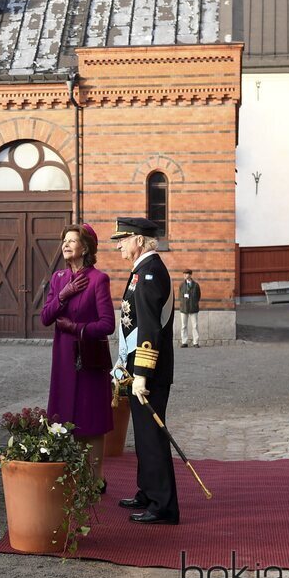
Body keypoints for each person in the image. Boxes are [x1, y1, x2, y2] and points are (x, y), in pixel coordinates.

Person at [110, 216, 179, 525]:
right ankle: (148, 491)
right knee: (143, 435)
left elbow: (150, 329)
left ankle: (163, 505)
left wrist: (142, 375)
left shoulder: (150, 274)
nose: (119, 245)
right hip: (138, 367)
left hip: (149, 372)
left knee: (152, 436)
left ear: (139, 240)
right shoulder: (141, 271)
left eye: (123, 239)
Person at [40, 223, 115, 491]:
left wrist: (78, 328)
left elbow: (108, 324)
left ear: (85, 247)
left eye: (72, 240)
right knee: (63, 415)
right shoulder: (59, 278)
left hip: (89, 359)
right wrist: (63, 295)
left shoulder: (98, 279)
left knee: (90, 419)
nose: (66, 244)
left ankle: (95, 480)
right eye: (64, 241)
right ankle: (69, 474)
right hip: (63, 359)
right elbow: (46, 317)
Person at [178, 270, 201, 348]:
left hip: (193, 308)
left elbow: (198, 296)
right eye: (184, 274)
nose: (185, 276)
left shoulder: (196, 285)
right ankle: (184, 342)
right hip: (184, 308)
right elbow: (180, 296)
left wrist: (194, 303)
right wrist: (182, 303)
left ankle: (196, 342)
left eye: (187, 274)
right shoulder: (181, 285)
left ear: (190, 275)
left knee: (195, 326)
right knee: (183, 326)